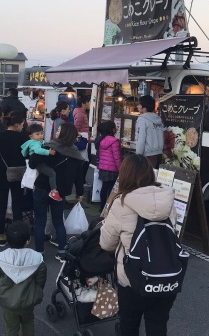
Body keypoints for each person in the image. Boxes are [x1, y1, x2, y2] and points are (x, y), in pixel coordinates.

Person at [100, 155, 177, 336]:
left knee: (129, 324)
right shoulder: (167, 201)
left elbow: (106, 244)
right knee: (158, 325)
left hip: (132, 278)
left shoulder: (121, 203)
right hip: (165, 277)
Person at [29, 122, 85, 258]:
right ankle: (62, 252)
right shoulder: (76, 154)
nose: (57, 131)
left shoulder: (49, 147)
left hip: (42, 188)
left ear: (64, 133)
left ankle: (39, 252)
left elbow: (32, 163)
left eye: (59, 130)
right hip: (60, 191)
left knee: (40, 220)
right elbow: (79, 177)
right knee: (58, 221)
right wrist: (80, 192)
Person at [0, 221, 47, 336]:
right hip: (28, 300)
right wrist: (37, 290)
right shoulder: (36, 258)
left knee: (11, 327)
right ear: (28, 241)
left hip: (8, 300)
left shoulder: (2, 258)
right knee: (28, 321)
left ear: (8, 239)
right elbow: (41, 278)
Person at [0, 112, 28, 246]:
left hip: (0, 175)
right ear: (16, 125)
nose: (23, 127)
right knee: (17, 205)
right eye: (22, 124)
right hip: (18, 175)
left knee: (2, 206)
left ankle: (1, 236)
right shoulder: (23, 138)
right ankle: (18, 236)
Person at [21, 124, 59, 201]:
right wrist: (48, 152)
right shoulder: (34, 143)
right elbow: (38, 150)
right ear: (31, 136)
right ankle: (53, 191)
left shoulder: (37, 141)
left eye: (41, 133)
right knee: (52, 173)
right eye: (37, 134)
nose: (40, 136)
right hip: (39, 163)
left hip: (37, 162)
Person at [97, 121, 122, 211]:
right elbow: (117, 158)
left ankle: (102, 207)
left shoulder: (102, 140)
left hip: (103, 168)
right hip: (112, 169)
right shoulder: (114, 141)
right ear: (112, 129)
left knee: (104, 187)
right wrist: (121, 170)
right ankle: (108, 207)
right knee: (111, 189)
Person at [135, 95, 165, 168]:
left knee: (145, 178)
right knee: (154, 177)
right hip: (159, 154)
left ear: (145, 108)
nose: (137, 106)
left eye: (139, 104)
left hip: (147, 155)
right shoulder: (158, 118)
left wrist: (138, 155)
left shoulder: (142, 120)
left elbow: (141, 139)